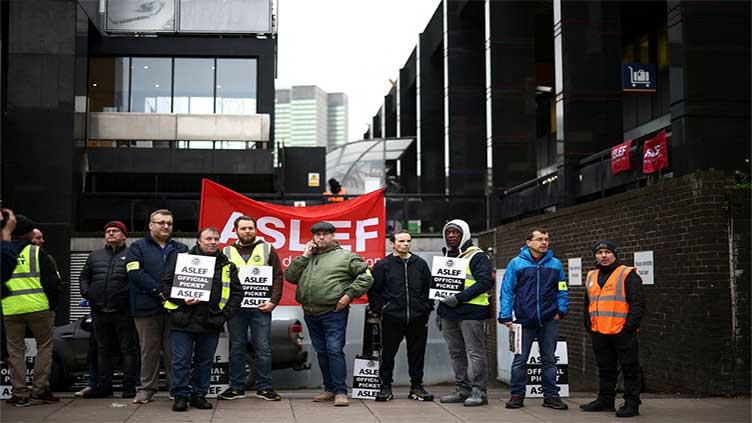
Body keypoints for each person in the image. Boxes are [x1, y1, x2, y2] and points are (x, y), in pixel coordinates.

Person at [284, 221, 374, 407]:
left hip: (334, 312)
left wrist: (349, 295)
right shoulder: (307, 256)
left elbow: (366, 275)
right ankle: (329, 389)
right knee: (322, 352)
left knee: (334, 350)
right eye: (317, 235)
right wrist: (304, 256)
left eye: (325, 234)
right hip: (310, 312)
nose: (321, 237)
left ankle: (341, 392)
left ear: (333, 236)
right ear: (313, 237)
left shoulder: (346, 256)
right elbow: (290, 277)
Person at [160, 227, 242, 412]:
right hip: (182, 320)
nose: (212, 242)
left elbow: (237, 294)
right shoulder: (181, 261)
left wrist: (223, 316)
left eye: (216, 239)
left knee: (204, 362)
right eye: (208, 239)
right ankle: (180, 397)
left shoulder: (228, 266)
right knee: (181, 361)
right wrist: (182, 300)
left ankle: (199, 395)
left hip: (210, 322)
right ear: (198, 241)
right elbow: (165, 285)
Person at [498, 228, 569, 410]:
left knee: (549, 360)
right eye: (539, 239)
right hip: (523, 320)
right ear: (528, 242)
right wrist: (505, 315)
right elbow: (507, 291)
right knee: (520, 360)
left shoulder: (555, 264)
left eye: (546, 239)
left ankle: (551, 397)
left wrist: (561, 310)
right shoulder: (516, 263)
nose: (544, 242)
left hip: (548, 320)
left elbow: (562, 288)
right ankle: (517, 396)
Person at [126, 209, 189, 404]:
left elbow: (189, 276)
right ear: (150, 225)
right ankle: (147, 389)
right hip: (146, 308)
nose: (165, 226)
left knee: (175, 351)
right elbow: (134, 273)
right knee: (149, 350)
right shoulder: (137, 247)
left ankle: (176, 388)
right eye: (161, 222)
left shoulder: (182, 248)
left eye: (169, 223)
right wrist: (160, 292)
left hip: (175, 309)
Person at [219, 216, 284, 401]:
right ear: (236, 230)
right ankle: (236, 387)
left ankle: (265, 388)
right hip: (236, 309)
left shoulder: (267, 249)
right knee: (236, 347)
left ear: (256, 230)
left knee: (263, 348)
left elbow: (278, 276)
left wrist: (273, 301)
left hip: (261, 307)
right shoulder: (227, 251)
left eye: (250, 228)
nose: (247, 231)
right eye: (243, 228)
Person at [580, 240, 645, 418]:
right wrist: (589, 325)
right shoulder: (591, 275)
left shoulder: (627, 274)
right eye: (599, 252)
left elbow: (638, 304)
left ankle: (632, 403)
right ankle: (606, 400)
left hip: (622, 331)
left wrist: (629, 328)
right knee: (605, 367)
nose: (603, 255)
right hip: (599, 331)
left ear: (615, 254)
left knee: (629, 367)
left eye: (607, 252)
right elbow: (588, 303)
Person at [2, 215, 61, 407]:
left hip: (10, 309)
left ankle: (19, 393)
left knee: (14, 351)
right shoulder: (36, 253)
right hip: (39, 307)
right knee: (44, 347)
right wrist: (52, 306)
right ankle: (40, 390)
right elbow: (52, 284)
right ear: (28, 233)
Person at [369, 230, 434, 402]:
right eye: (401, 241)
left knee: (417, 354)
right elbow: (374, 291)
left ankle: (417, 387)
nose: (405, 244)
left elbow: (429, 289)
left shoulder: (420, 264)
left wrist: (426, 308)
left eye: (408, 241)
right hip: (392, 318)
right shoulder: (383, 265)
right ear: (392, 244)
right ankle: (385, 388)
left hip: (418, 318)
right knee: (388, 354)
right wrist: (381, 310)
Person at [435, 219, 494, 407]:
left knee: (474, 352)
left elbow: (485, 282)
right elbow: (441, 287)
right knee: (456, 353)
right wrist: (440, 310)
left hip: (471, 312)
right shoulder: (447, 255)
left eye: (456, 232)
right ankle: (463, 389)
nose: (451, 235)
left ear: (465, 235)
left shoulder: (478, 256)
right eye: (448, 233)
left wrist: (459, 298)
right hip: (449, 314)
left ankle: (479, 391)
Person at [79, 221, 138, 398]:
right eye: (108, 231)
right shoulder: (94, 255)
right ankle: (104, 387)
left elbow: (135, 280)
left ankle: (129, 388)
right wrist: (87, 293)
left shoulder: (132, 255)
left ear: (124, 235)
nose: (111, 233)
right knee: (102, 349)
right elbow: (84, 277)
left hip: (123, 311)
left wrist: (124, 298)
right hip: (99, 310)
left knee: (128, 350)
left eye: (115, 231)